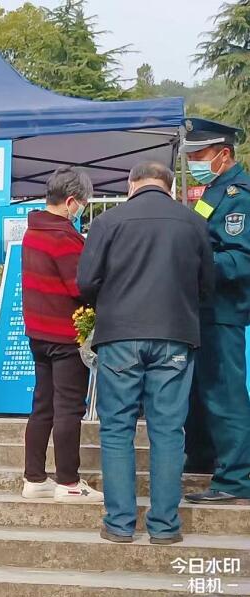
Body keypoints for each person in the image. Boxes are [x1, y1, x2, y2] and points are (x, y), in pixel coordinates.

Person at [78, 161, 214, 544]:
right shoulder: (193, 223)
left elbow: (86, 281)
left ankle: (120, 524)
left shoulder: (108, 222)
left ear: (130, 183)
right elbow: (208, 284)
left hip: (120, 336)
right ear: (169, 186)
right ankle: (165, 526)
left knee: (117, 429)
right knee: (168, 430)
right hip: (175, 335)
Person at [21, 167, 103, 502]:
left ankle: (35, 477)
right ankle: (68, 482)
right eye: (83, 203)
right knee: (69, 407)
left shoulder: (32, 231)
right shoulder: (63, 237)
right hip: (65, 335)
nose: (82, 209)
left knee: (42, 405)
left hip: (38, 334)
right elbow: (80, 286)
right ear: (71, 201)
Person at [180, 118, 250, 504]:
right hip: (203, 308)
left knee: (225, 393)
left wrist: (190, 262)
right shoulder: (214, 191)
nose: (194, 162)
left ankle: (236, 477)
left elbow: (240, 261)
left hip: (223, 309)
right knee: (201, 390)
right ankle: (203, 456)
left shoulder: (239, 196)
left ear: (224, 154)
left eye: (199, 155)